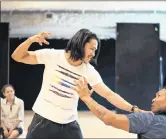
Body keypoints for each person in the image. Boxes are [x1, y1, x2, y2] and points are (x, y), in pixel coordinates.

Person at [11, 29, 149, 138]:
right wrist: (30, 40)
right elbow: (17, 56)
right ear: (81, 44)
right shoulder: (53, 56)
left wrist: (133, 109)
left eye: (95, 50)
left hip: (69, 124)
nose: (93, 54)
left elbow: (109, 94)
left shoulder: (88, 70)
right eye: (92, 49)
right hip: (43, 121)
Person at [73, 77, 166, 139]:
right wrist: (134, 109)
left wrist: (86, 98)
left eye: (158, 96)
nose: (153, 99)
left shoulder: (149, 120)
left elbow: (108, 118)